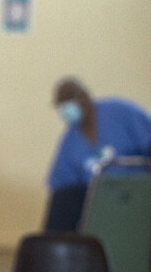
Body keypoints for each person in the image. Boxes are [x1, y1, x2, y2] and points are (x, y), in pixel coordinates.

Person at [43, 77, 151, 231]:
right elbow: (62, 183)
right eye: (61, 106)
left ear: (84, 97)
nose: (65, 110)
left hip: (136, 193)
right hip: (99, 201)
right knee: (63, 201)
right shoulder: (70, 141)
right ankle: (56, 252)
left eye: (68, 102)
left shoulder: (120, 113)